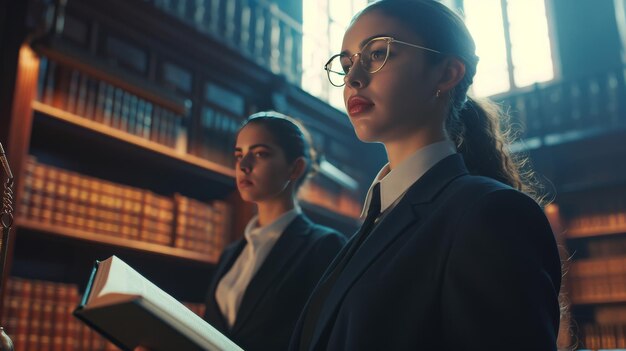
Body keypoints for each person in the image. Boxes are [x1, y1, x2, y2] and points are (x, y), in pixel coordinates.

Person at [289, 1, 562, 350]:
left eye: (377, 53)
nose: (353, 78)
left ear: (446, 74)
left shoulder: (490, 214)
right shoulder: (377, 219)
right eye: (347, 64)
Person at [203, 111, 346, 351]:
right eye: (239, 155)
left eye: (260, 154)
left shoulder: (325, 246)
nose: (244, 166)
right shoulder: (230, 254)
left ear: (295, 168)